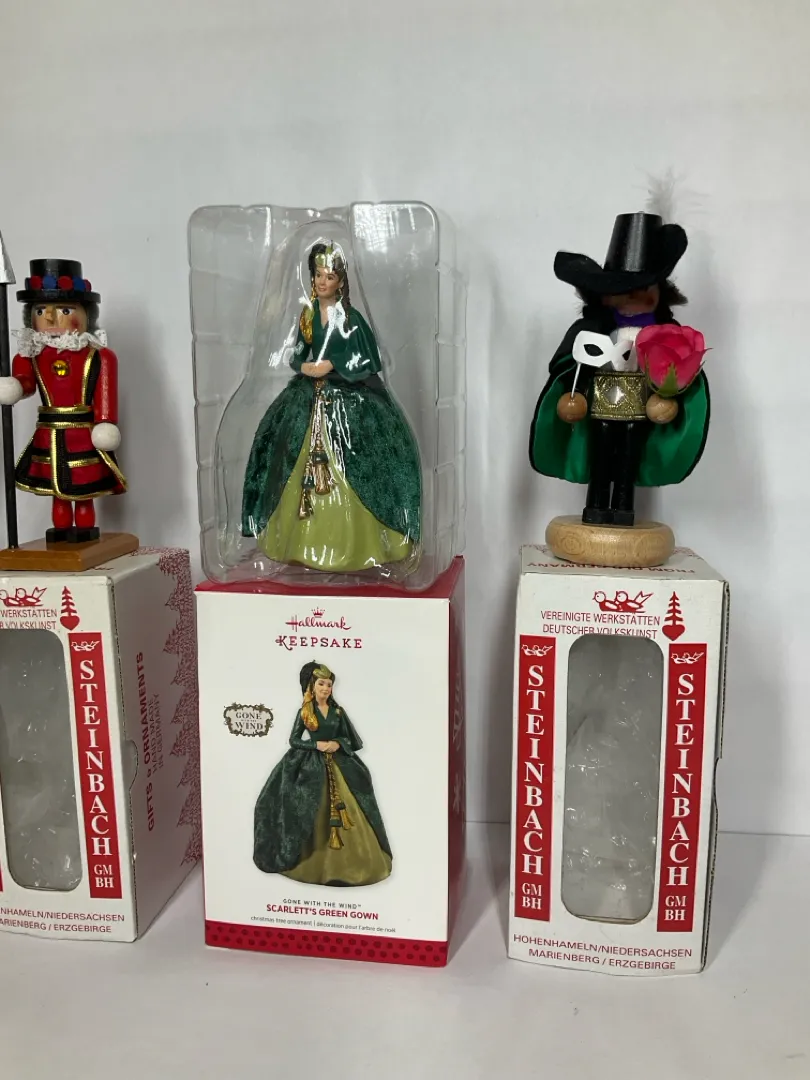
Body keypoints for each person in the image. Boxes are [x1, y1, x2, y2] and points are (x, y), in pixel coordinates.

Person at [241, 241, 421, 572]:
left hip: (349, 396)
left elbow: (367, 358)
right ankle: (294, 538)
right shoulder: (308, 315)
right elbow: (297, 353)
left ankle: (364, 541)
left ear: (340, 281)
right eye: (318, 275)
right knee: (285, 445)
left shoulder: (351, 318)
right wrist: (305, 367)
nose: (322, 281)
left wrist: (334, 364)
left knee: (358, 457)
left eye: (329, 276)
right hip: (309, 395)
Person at [530, 213, 710, 527]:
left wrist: (667, 396)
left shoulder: (667, 334)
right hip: (600, 404)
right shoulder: (592, 330)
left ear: (660, 291)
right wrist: (574, 392)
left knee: (629, 456)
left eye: (642, 288)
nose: (633, 298)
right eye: (622, 289)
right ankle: (596, 505)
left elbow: (676, 369)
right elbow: (572, 364)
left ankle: (624, 507)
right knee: (600, 454)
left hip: (639, 408)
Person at [0, 259, 125, 543]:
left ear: (86, 314)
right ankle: (61, 529)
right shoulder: (29, 355)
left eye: (64, 310)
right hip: (49, 431)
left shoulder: (99, 356)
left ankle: (84, 529)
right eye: (40, 311)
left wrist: (105, 422)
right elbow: (26, 382)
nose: (50, 319)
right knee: (56, 487)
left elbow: (105, 392)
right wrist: (15, 386)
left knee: (83, 486)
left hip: (82, 433)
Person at [253, 661, 392, 887]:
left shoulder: (338, 712)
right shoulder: (305, 712)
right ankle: (310, 858)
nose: (326, 688)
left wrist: (337, 743)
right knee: (308, 803)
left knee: (353, 798)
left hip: (339, 763)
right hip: (312, 765)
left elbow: (352, 740)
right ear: (312, 686)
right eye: (321, 684)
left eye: (329, 684)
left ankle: (355, 863)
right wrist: (315, 745)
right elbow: (294, 740)